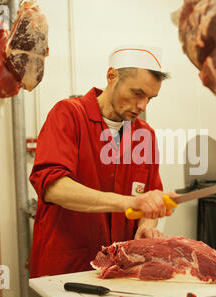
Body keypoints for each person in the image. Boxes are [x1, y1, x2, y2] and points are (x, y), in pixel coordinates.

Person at [29, 45, 175, 278]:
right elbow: (53, 187)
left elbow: (150, 195)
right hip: (68, 267)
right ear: (111, 76)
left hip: (121, 269)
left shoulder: (144, 135)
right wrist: (130, 203)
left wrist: (147, 226)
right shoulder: (68, 114)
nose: (143, 106)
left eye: (150, 98)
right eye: (137, 93)